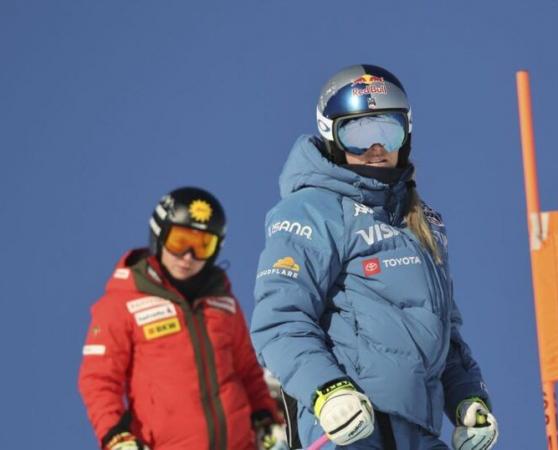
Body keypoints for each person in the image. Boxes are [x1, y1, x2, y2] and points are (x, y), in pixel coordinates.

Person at [250, 64, 499, 450]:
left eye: (387, 131)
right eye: (358, 134)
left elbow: (445, 335)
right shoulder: (312, 210)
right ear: (332, 136)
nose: (376, 149)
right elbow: (279, 319)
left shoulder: (420, 222)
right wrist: (328, 391)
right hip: (349, 427)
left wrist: (469, 399)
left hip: (419, 431)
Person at [78, 187, 287, 450]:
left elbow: (247, 371)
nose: (188, 256)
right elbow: (98, 380)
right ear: (159, 236)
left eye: (202, 245)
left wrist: (264, 418)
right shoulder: (122, 303)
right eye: (179, 241)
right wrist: (115, 436)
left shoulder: (223, 303)